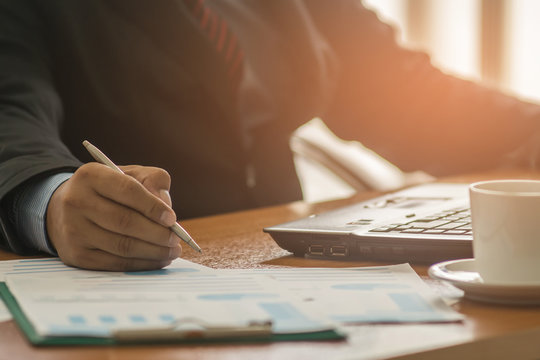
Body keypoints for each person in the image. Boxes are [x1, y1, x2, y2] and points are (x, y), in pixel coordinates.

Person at [1, 0, 539, 271]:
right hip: (148, 270)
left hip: (285, 262)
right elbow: (10, 113)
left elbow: (395, 90)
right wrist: (51, 202)